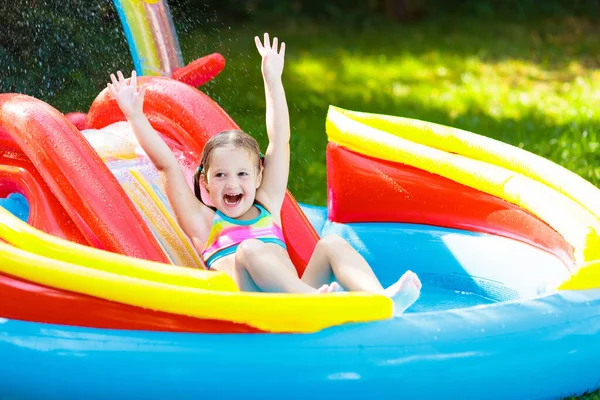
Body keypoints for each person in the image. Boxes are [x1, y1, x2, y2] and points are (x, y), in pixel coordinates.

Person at [108, 33, 421, 315]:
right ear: (205, 183)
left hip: (293, 297)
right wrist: (135, 114)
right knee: (249, 249)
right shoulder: (204, 222)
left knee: (331, 245)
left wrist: (273, 81)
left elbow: (279, 139)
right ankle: (315, 303)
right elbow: (167, 165)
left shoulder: (267, 205)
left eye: (243, 174)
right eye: (220, 176)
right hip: (253, 313)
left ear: (258, 177)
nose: (232, 183)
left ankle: (381, 301)